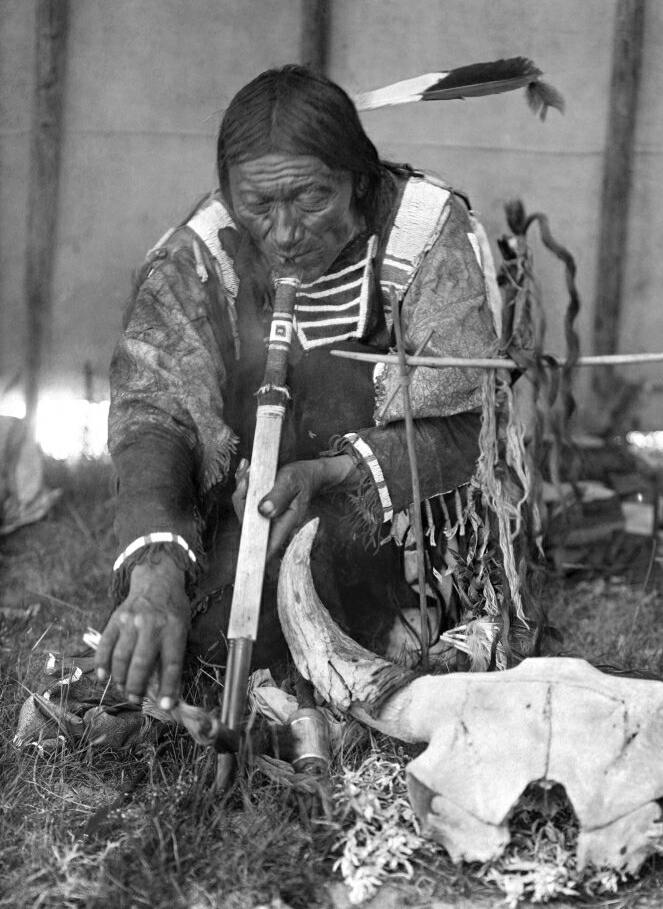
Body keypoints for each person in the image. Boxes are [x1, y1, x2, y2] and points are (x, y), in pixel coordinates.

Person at [94, 65, 499, 711]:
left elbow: (471, 423)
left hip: (385, 505)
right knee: (207, 629)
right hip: (247, 497)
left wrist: (335, 471)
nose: (285, 233)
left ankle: (399, 616)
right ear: (229, 191)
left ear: (357, 180)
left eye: (312, 198)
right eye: (260, 205)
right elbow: (155, 409)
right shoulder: (203, 252)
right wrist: (156, 568)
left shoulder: (422, 234)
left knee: (288, 609)